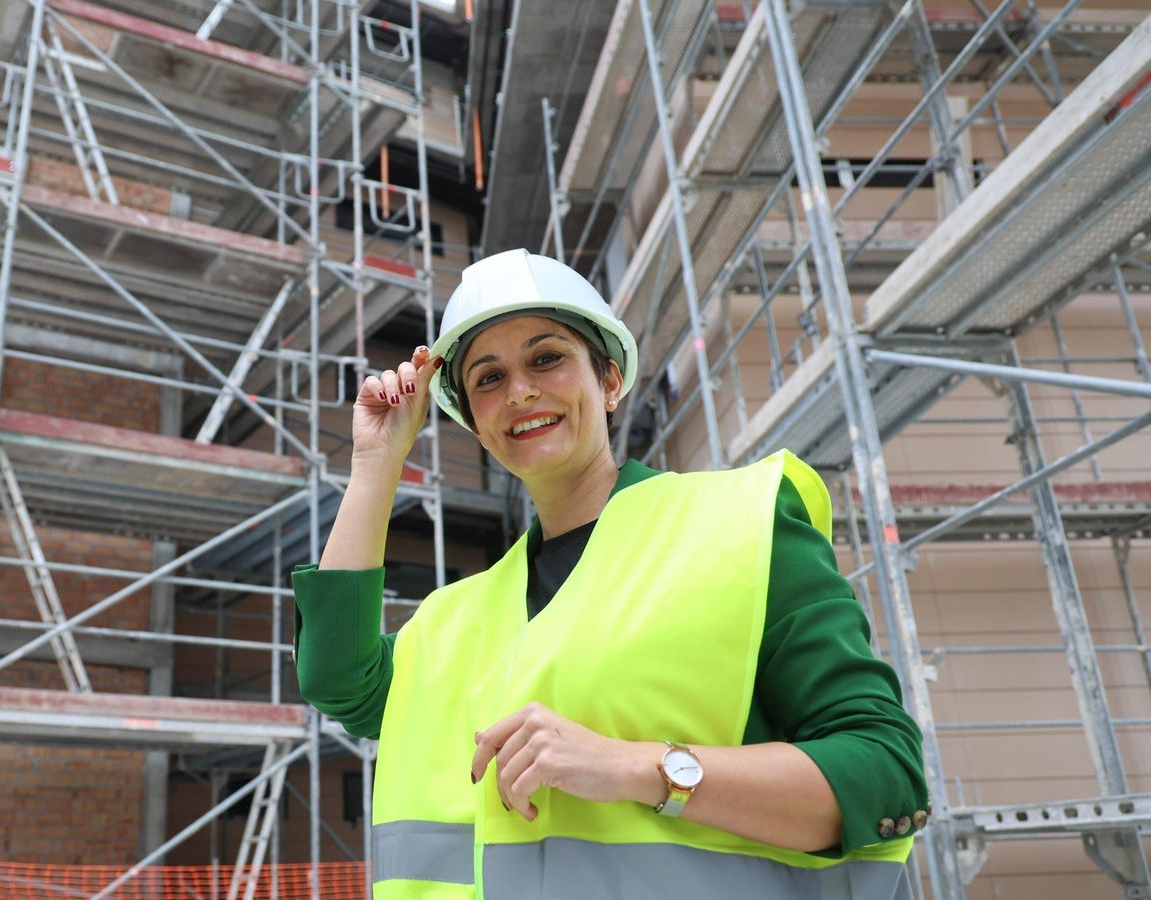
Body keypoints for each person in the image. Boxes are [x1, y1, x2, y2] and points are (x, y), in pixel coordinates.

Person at [291, 249, 928, 898]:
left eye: (547, 358)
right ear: (476, 425)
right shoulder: (456, 618)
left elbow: (885, 771)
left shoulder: (740, 525)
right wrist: (376, 462)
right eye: (488, 378)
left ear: (610, 382)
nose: (520, 391)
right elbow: (339, 679)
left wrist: (639, 767)